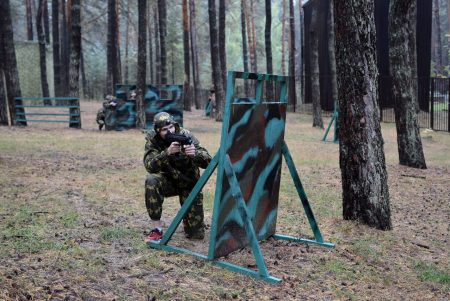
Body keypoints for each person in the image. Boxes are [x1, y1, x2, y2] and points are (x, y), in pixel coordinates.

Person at [143, 112, 212, 242]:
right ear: (158, 131)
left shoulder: (186, 135)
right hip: (168, 182)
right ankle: (157, 229)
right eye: (164, 130)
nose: (169, 131)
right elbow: (149, 166)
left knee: (196, 235)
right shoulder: (154, 140)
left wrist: (195, 154)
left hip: (190, 184)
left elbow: (208, 161)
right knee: (151, 179)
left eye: (171, 127)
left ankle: (190, 223)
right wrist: (166, 153)